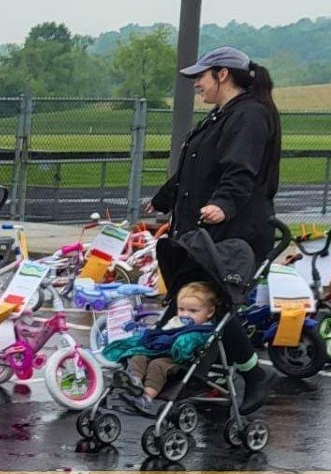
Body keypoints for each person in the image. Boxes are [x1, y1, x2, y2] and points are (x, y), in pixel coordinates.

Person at [147, 45, 281, 413]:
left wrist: (224, 204)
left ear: (222, 74)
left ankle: (250, 375)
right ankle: (193, 374)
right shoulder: (223, 115)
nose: (195, 85)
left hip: (235, 233)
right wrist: (162, 199)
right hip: (205, 230)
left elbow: (241, 169)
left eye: (200, 78)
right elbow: (195, 167)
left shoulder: (250, 116)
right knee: (196, 302)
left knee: (213, 307)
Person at [112, 281, 220, 416]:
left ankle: (146, 397)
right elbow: (163, 333)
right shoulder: (176, 321)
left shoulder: (204, 330)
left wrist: (183, 343)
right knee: (138, 356)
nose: (185, 314)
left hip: (180, 359)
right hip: (161, 351)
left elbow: (193, 344)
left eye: (193, 311)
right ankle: (134, 380)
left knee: (157, 365)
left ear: (209, 312)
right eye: (181, 309)